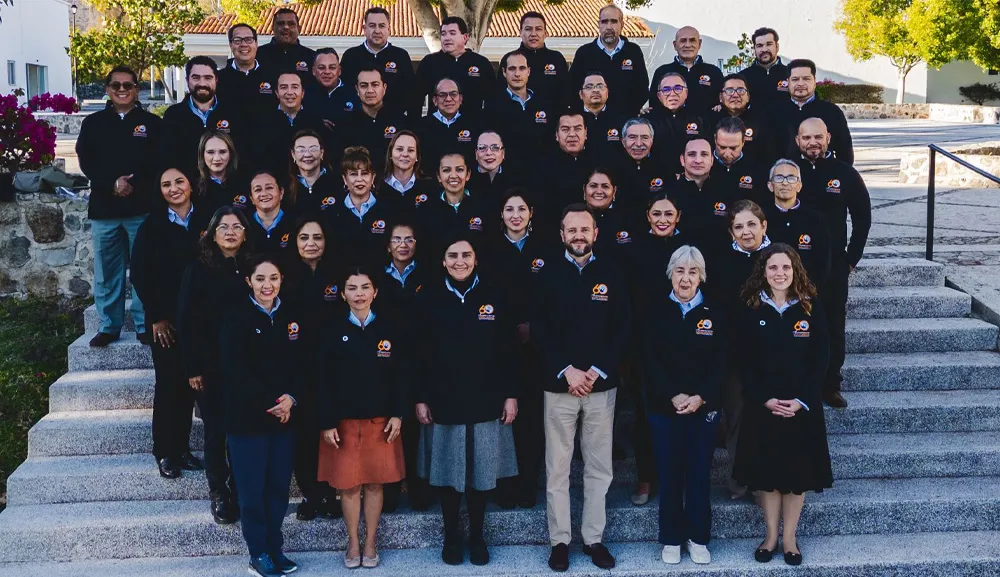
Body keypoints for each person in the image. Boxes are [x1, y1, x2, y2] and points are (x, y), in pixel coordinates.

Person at [534, 204, 631, 572]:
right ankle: (560, 541)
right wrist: (567, 372)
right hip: (558, 388)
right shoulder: (547, 275)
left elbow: (623, 328)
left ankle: (593, 539)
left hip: (600, 387)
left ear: (595, 233)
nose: (578, 236)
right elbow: (539, 331)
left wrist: (594, 371)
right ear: (561, 235)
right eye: (571, 230)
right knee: (557, 468)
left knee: (598, 467)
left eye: (584, 230)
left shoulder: (612, 273)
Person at [414, 236, 519, 566]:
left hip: (486, 401)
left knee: (481, 475)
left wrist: (511, 394)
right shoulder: (429, 297)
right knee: (449, 475)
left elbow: (509, 351)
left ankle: (477, 536)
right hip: (444, 402)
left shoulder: (493, 296)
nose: (460, 260)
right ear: (443, 261)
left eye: (466, 255)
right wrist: (420, 398)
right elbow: (418, 355)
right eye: (453, 255)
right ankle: (451, 537)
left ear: (476, 259)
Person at [734, 243, 833, 566]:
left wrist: (802, 399)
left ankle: (790, 538)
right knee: (768, 474)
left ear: (795, 271)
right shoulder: (751, 307)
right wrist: (764, 398)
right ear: (763, 271)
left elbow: (821, 358)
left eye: (786, 268)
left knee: (796, 476)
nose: (780, 274)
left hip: (800, 407)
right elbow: (743, 360)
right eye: (773, 268)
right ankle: (770, 536)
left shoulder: (810, 305)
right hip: (764, 405)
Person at [640, 245, 726, 566]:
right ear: (671, 275)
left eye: (692, 272)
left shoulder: (714, 313)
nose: (686, 278)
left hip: (703, 408)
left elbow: (720, 362)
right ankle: (672, 538)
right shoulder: (655, 310)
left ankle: (698, 536)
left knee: (699, 473)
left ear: (701, 276)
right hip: (665, 408)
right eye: (680, 271)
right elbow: (649, 360)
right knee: (670, 473)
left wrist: (700, 396)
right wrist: (671, 395)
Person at [220, 254, 305, 577]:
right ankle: (258, 552)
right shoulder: (236, 317)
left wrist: (292, 399)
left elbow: (303, 363)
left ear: (281, 280)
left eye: (273, 278)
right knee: (252, 491)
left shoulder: (292, 315)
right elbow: (235, 370)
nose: (267, 285)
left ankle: (275, 548)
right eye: (260, 279)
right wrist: (272, 401)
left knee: (278, 490)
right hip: (247, 420)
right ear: (249, 282)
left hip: (285, 418)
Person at [317, 267, 407, 569]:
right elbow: (322, 379)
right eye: (352, 288)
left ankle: (371, 542)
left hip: (379, 422)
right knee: (349, 486)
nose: (359, 294)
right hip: (342, 423)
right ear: (343, 294)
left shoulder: (390, 328)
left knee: (374, 485)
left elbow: (401, 376)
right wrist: (327, 421)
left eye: (365, 287)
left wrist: (398, 412)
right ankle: (353, 541)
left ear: (375, 292)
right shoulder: (331, 330)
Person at [177, 206, 254, 525]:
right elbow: (186, 321)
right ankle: (219, 492)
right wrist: (192, 368)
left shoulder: (254, 266)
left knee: (243, 430)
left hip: (248, 366)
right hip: (210, 365)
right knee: (216, 432)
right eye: (224, 227)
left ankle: (241, 490)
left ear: (245, 233)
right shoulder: (198, 269)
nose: (231, 232)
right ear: (212, 233)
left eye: (237, 226)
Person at [131, 168, 208, 480]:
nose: (174, 189)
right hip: (167, 321)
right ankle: (165, 452)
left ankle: (183, 449)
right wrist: (157, 318)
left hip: (200, 319)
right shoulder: (153, 226)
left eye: (179, 182)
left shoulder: (206, 220)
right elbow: (140, 274)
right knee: (169, 387)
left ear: (191, 185)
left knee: (190, 388)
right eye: (166, 184)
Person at [76, 65, 160, 347]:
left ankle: (143, 324)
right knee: (107, 273)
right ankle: (109, 326)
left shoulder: (151, 124)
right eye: (116, 86)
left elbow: (159, 164)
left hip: (142, 210)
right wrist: (112, 183)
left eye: (128, 85)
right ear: (107, 90)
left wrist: (136, 185)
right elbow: (86, 161)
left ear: (137, 89)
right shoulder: (93, 124)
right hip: (105, 211)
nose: (122, 90)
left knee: (143, 271)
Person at [794, 117, 872, 408]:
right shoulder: (788, 171)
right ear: (797, 141)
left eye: (818, 137)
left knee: (832, 324)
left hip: (833, 265)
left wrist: (851, 259)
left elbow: (862, 217)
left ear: (828, 137)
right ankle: (800, 382)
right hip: (791, 265)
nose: (812, 142)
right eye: (806, 137)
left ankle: (831, 384)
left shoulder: (845, 173)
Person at [488, 189, 551, 509]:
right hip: (500, 345)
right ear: (501, 215)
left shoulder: (545, 249)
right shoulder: (489, 249)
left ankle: (528, 487)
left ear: (531, 213)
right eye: (509, 208)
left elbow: (554, 298)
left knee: (531, 422)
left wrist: (535, 329)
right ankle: (504, 487)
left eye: (521, 208)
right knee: (504, 419)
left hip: (537, 349)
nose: (515, 214)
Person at [283, 215, 342, 522]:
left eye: (317, 237)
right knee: (304, 436)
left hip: (334, 366)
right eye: (304, 237)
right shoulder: (285, 275)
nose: (311, 243)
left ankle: (330, 493)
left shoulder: (337, 273)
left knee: (331, 432)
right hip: (297, 366)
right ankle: (310, 494)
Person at [712, 199, 772, 501]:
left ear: (764, 226)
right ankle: (739, 481)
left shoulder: (779, 257)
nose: (746, 232)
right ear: (731, 232)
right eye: (738, 227)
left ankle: (767, 482)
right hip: (736, 357)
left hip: (773, 357)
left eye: (751, 224)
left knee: (769, 421)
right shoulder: (723, 262)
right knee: (735, 419)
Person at [161, 56, 246, 180]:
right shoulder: (173, 115)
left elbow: (242, 152)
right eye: (196, 77)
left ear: (216, 80)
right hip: (190, 189)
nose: (202, 83)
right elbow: (168, 158)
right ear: (187, 80)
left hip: (228, 187)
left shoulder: (233, 113)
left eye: (208, 78)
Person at [483, 51, 556, 176]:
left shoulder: (545, 104)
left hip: (541, 176)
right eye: (512, 69)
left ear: (528, 71)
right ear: (504, 72)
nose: (517, 74)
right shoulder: (492, 106)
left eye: (522, 68)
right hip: (506, 176)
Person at [340, 6, 420, 118]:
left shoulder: (401, 56)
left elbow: (411, 94)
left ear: (388, 29)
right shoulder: (351, 56)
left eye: (382, 26)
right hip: (357, 122)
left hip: (393, 122)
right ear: (364, 28)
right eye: (372, 25)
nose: (377, 30)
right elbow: (343, 90)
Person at [762, 159, 831, 288]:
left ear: (799, 186)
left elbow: (822, 263)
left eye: (791, 178)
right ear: (770, 185)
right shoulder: (760, 218)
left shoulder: (815, 219)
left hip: (805, 291)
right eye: (779, 178)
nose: (785, 183)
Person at [570, 3, 648, 115]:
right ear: (598, 25)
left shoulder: (633, 52)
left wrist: (631, 111)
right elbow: (573, 88)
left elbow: (642, 87)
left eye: (614, 21)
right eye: (604, 21)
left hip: (624, 119)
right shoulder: (584, 53)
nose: (609, 27)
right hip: (592, 121)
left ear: (622, 24)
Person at [329, 146, 399, 268]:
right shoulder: (333, 213)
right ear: (345, 179)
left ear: (373, 178)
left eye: (365, 173)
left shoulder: (388, 211)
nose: (359, 179)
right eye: (353, 174)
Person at [774, 59, 854, 165]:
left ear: (814, 81)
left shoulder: (831, 112)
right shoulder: (774, 112)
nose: (800, 83)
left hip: (824, 175)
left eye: (806, 79)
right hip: (787, 178)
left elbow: (845, 151)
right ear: (788, 82)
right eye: (795, 79)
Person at [415, 152, 490, 257]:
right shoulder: (426, 210)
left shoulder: (483, 206)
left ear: (468, 175)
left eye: (459, 170)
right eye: (446, 170)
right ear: (438, 176)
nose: (453, 176)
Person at [253, 71, 327, 175]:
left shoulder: (315, 121)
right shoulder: (263, 121)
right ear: (277, 93)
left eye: (295, 87)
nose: (289, 92)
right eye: (283, 87)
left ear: (303, 93)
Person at [415, 16, 494, 114]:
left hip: (472, 126)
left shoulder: (481, 63)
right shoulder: (429, 63)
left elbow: (492, 99)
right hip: (436, 126)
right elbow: (416, 98)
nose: (447, 38)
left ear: (465, 37)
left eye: (452, 33)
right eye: (443, 34)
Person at [341, 65, 408, 175]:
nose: (370, 90)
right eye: (364, 86)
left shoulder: (401, 121)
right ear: (357, 89)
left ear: (384, 88)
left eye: (375, 85)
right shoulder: (345, 124)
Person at [496, 11, 570, 110]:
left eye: (538, 29)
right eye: (528, 29)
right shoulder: (510, 59)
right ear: (520, 32)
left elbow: (566, 93)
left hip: (551, 120)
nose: (533, 34)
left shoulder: (556, 59)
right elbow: (499, 93)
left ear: (545, 33)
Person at [540, 112, 596, 232]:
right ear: (556, 135)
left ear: (585, 133)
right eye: (565, 129)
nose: (572, 134)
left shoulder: (598, 162)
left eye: (577, 129)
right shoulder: (543, 167)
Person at [648, 26, 724, 115]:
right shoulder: (662, 72)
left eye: (692, 40)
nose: (688, 45)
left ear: (699, 44)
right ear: (675, 45)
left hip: (707, 127)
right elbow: (654, 105)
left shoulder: (714, 72)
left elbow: (723, 101)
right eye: (683, 41)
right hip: (670, 127)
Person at [707, 74, 778, 166]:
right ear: (720, 97)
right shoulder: (709, 119)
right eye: (729, 90)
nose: (735, 95)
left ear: (748, 96)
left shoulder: (761, 121)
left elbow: (769, 155)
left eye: (741, 90)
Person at [671, 137, 730, 248]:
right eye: (692, 154)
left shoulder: (726, 191)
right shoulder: (669, 193)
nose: (698, 160)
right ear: (682, 160)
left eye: (704, 154)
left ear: (712, 160)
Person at [415, 78, 480, 173]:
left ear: (460, 99)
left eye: (453, 94)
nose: (448, 99)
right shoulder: (420, 126)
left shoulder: (474, 125)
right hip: (430, 183)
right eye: (442, 95)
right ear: (434, 100)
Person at [645, 72, 705, 173]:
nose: (672, 93)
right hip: (657, 178)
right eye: (666, 89)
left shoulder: (699, 119)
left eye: (678, 88)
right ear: (659, 95)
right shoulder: (647, 120)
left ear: (686, 93)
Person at [216, 23, 276, 117]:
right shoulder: (218, 79)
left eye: (248, 39)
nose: (243, 44)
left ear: (256, 44)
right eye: (237, 40)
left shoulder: (273, 77)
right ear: (230, 45)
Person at [710, 116, 771, 206]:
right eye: (722, 147)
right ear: (715, 139)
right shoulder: (702, 166)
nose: (727, 153)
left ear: (743, 142)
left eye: (733, 148)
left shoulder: (756, 169)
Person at [616, 117, 673, 212]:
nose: (638, 143)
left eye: (644, 138)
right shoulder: (613, 168)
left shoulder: (665, 169)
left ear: (652, 141)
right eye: (632, 137)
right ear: (623, 142)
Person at [378, 129, 434, 214]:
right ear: (390, 154)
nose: (405, 154)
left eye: (410, 150)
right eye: (399, 149)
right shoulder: (378, 186)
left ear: (417, 156)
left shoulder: (429, 186)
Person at [468, 131, 522, 216]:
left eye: (495, 148)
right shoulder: (465, 180)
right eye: (482, 148)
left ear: (503, 153)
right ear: (476, 154)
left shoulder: (517, 180)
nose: (489, 153)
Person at [304, 48, 360, 131]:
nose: (327, 72)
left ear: (339, 71)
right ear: (313, 71)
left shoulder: (354, 93)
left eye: (332, 67)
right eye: (321, 67)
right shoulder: (304, 94)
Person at [287, 129, 340, 215]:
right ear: (293, 154)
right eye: (301, 150)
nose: (307, 155)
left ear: (322, 152)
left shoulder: (337, 183)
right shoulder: (285, 187)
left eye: (313, 149)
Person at [196, 131, 250, 215]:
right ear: (202, 154)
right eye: (210, 152)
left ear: (230, 153)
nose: (217, 158)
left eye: (222, 152)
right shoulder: (194, 188)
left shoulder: (244, 184)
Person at [578, 72, 628, 162]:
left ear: (607, 93)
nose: (595, 90)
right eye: (589, 87)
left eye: (600, 86)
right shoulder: (573, 119)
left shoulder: (621, 120)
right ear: (581, 94)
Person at [738, 27, 789, 110]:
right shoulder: (742, 77)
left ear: (777, 47)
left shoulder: (791, 75)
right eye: (759, 46)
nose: (764, 49)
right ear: (754, 49)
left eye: (769, 44)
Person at [246, 171, 295, 256]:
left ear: (281, 193)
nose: (264, 194)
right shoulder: (244, 225)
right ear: (251, 198)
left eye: (269, 188)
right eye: (258, 190)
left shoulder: (295, 223)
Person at [256, 7, 316, 76]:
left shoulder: (312, 58)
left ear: (299, 29)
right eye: (281, 23)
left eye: (291, 24)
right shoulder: (257, 56)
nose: (286, 27)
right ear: (272, 28)